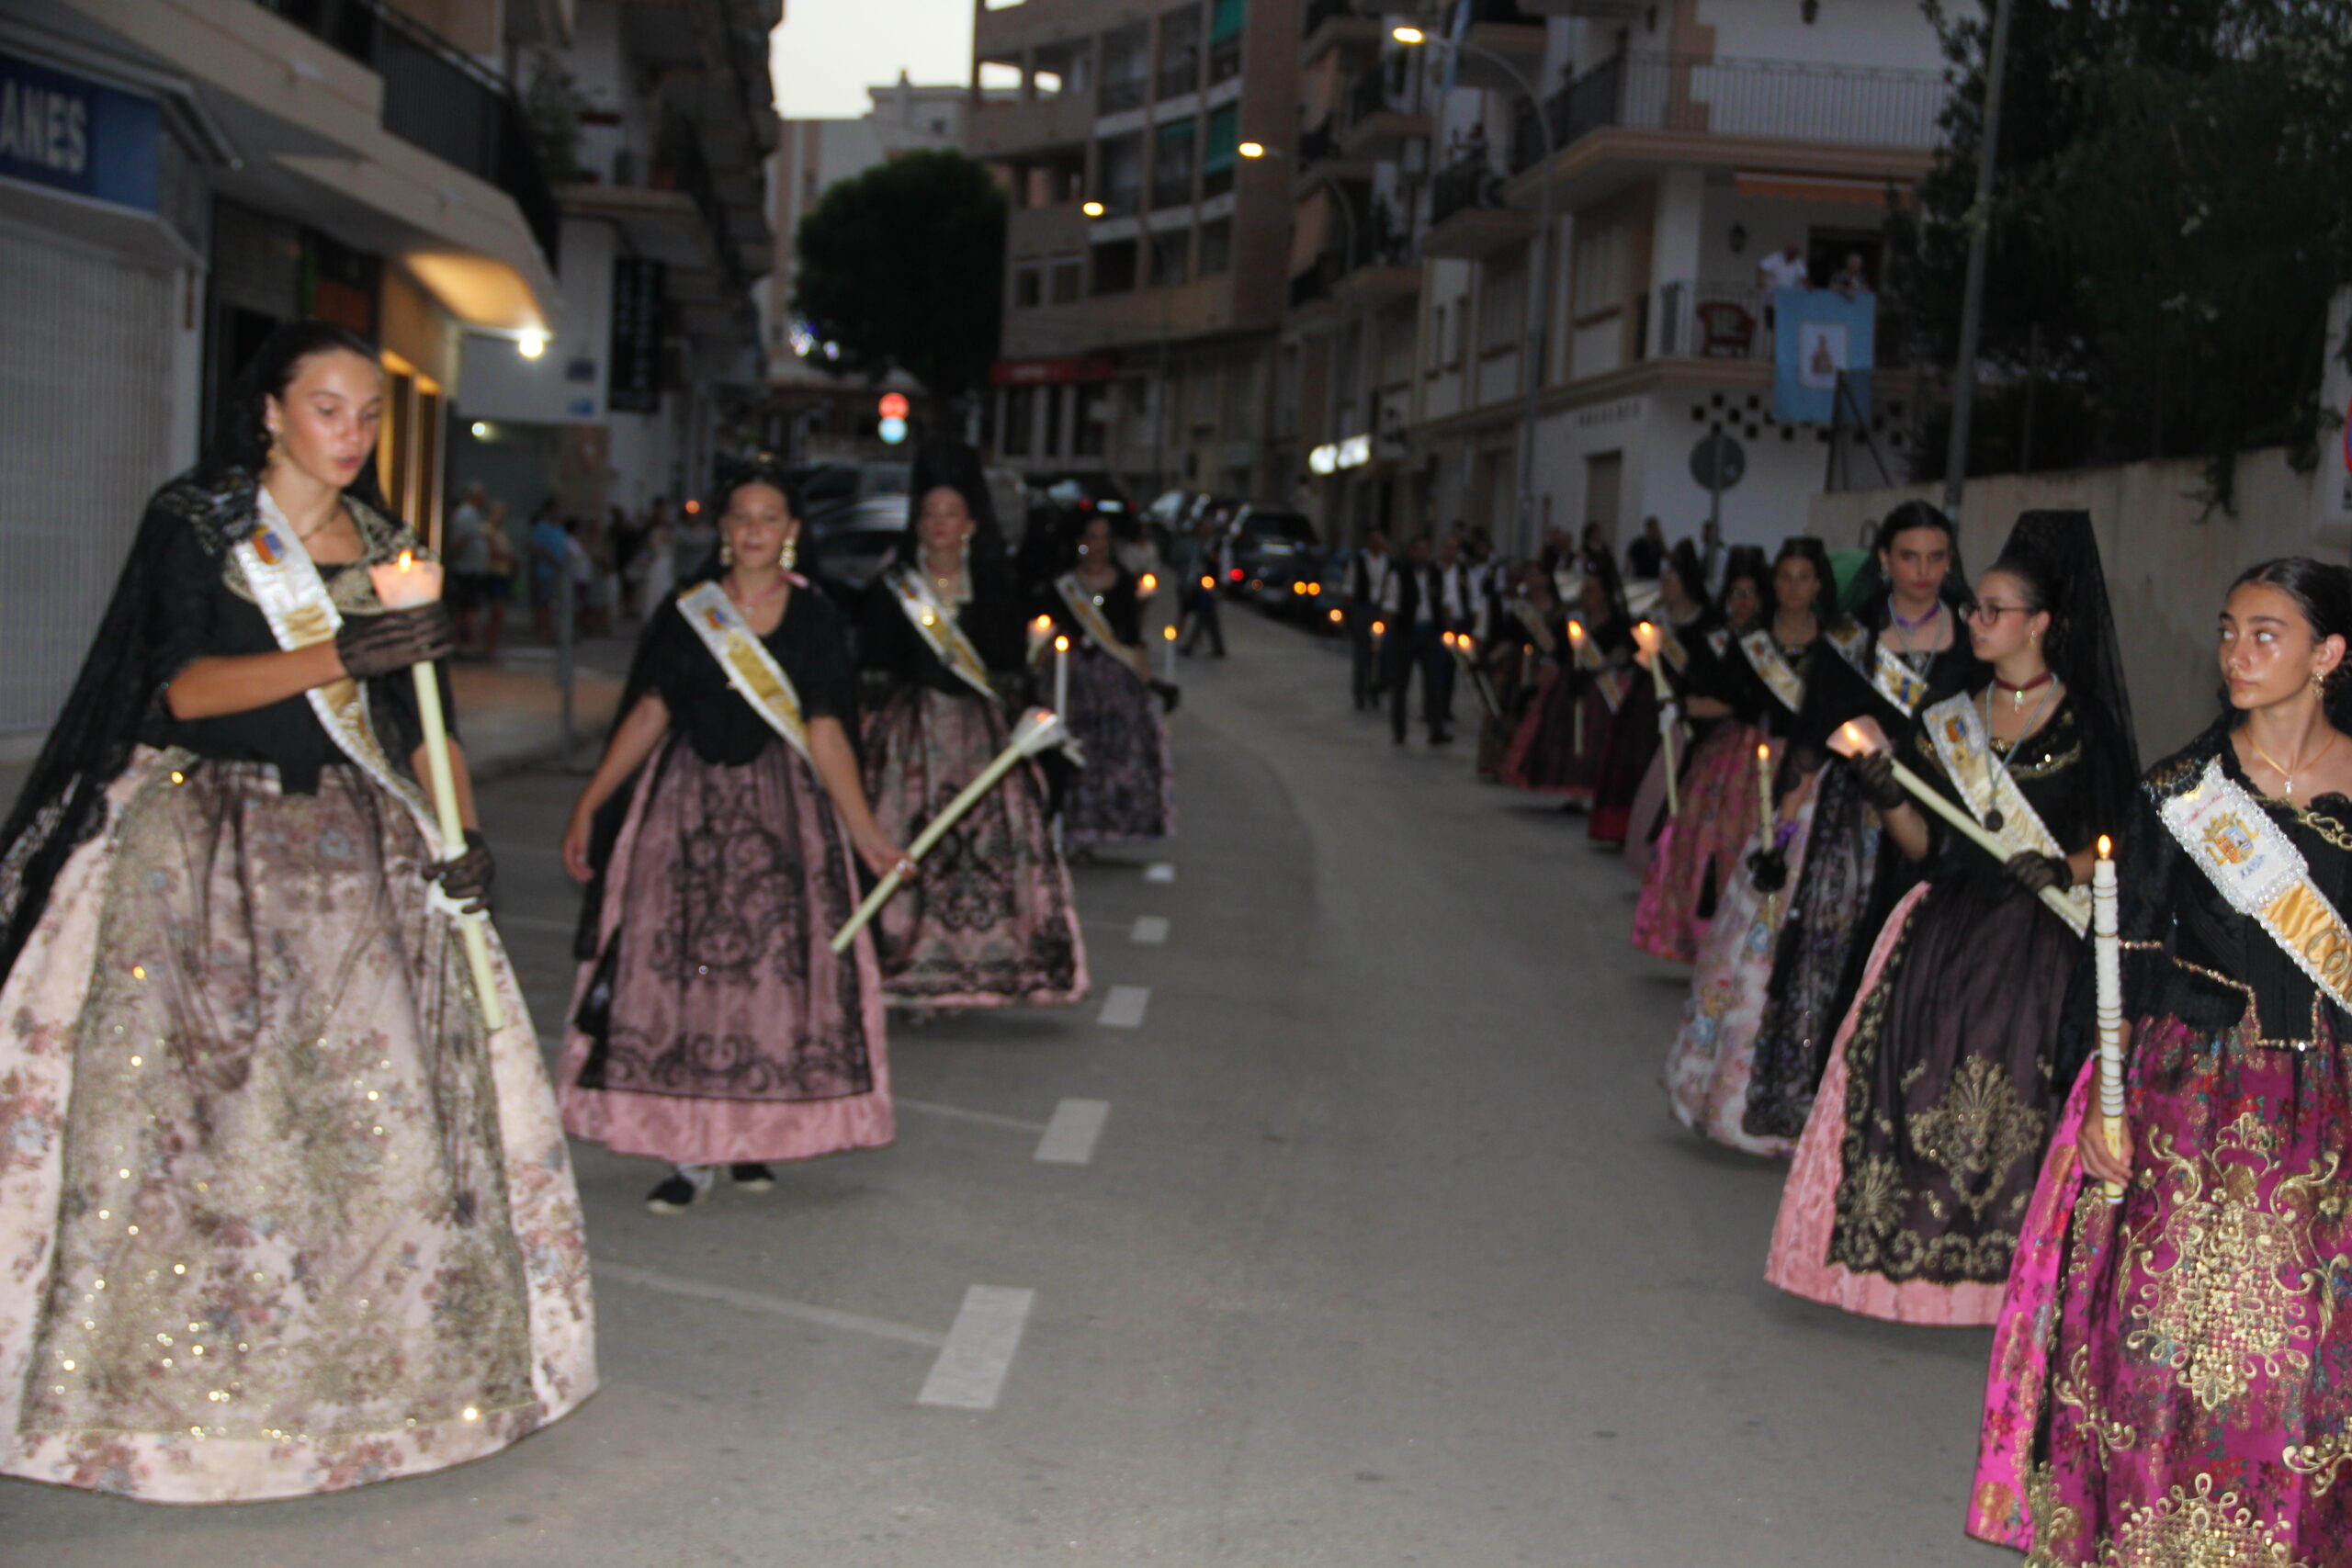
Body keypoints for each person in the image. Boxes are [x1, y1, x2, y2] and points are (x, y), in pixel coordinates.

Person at [0, 320, 594, 1501]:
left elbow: (426, 729)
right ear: (269, 411)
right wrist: (348, 650)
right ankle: (177, 1404)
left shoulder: (390, 546)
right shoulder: (201, 524)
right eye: (329, 408)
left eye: (370, 414)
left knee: (370, 1126)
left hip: (356, 855)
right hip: (203, 848)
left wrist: (459, 834)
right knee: (196, 1133)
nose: (354, 434)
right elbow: (179, 689)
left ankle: (356, 1387)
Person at [1970, 558, 2352, 1565]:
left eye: (2264, 634)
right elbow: (2124, 952)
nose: (2234, 652)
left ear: (2329, 654)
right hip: (2194, 1103)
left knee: (2314, 1363)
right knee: (2158, 1348)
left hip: (2331, 1110)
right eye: (2227, 629)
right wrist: (2104, 1101)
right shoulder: (2183, 791)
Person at [1767, 511, 2137, 1326]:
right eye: (1978, 609)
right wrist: (1888, 792)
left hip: (2040, 940)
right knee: (1912, 1083)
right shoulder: (1947, 716)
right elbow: (1924, 845)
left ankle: (2010, 1272)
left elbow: (2119, 840)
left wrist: (2065, 867)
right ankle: (1911, 1267)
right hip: (1947, 929)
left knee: (2021, 1096)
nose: (1977, 620)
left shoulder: (2085, 724)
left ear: (2040, 623)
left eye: (1995, 610)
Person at [557, 459, 906, 1214]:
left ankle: (753, 1134)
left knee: (768, 978)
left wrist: (868, 835)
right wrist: (592, 800)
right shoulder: (690, 610)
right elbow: (649, 712)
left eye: (768, 518)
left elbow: (828, 733)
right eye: (740, 517)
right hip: (683, 809)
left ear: (790, 532)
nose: (753, 530)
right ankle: (688, 1148)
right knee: (682, 969)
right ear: (722, 530)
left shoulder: (814, 619)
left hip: (783, 815)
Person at [1742, 502, 1978, 1145]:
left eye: (1937, 557)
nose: (1923, 570)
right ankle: (1822, 1100)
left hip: (1938, 827)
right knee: (1834, 950)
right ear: (1884, 560)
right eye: (1910, 556)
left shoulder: (1974, 645)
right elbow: (1809, 742)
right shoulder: (1851, 639)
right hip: (1855, 823)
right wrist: (1780, 837)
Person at [858, 444, 1087, 1010]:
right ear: (918, 522)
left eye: (950, 514)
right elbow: (873, 666)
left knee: (983, 847)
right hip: (911, 739)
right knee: (909, 841)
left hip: (979, 738)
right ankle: (906, 959)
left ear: (970, 524)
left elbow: (1007, 666)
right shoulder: (892, 588)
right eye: (929, 513)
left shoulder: (994, 587)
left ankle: (981, 964)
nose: (939, 524)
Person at [1660, 538, 1840, 1155]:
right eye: (1783, 576)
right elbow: (1714, 694)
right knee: (1750, 917)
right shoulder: (1751, 642)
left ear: (1818, 584)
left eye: (1803, 576)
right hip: (1759, 771)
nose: (1793, 587)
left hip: (1816, 785)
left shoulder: (1838, 648)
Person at [1633, 547, 1770, 960]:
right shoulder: (1718, 637)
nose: (1742, 602)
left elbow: (1739, 700)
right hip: (1715, 745)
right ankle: (1693, 928)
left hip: (1754, 750)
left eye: (1750, 594)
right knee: (1695, 836)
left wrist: (1686, 706)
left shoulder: (1765, 643)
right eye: (1736, 593)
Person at [1043, 513, 1175, 844]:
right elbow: (1049, 631)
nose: (1096, 544)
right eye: (1090, 536)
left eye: (1103, 537)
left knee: (1120, 744)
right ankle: (1067, 821)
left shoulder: (1125, 582)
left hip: (1112, 674)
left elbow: (1131, 637)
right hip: (1070, 674)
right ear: (1079, 542)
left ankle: (1106, 823)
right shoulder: (1063, 585)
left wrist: (1150, 681)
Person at [1380, 535, 1450, 747]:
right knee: (1401, 684)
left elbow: (1444, 602)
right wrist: (1389, 634)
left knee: (1434, 683)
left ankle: (1436, 728)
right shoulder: (1399, 574)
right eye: (1418, 550)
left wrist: (1446, 628)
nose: (1423, 555)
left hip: (1430, 632)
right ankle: (1399, 730)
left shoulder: (1436, 574)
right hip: (1406, 632)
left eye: (1426, 550)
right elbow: (1390, 605)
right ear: (1411, 553)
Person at [1348, 527, 1392, 712]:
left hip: (1380, 609)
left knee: (1379, 655)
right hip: (1363, 608)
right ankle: (1359, 693)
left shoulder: (1388, 562)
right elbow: (1350, 586)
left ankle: (1375, 690)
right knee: (1362, 654)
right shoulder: (1359, 561)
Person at [447, 479, 492, 652]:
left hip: (471, 568)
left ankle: (465, 641)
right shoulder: (466, 514)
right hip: (466, 569)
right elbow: (460, 540)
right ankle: (467, 642)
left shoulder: (472, 514)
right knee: (467, 607)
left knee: (468, 606)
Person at [1180, 515, 1227, 658]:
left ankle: (1191, 645)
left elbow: (1225, 565)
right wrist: (1191, 582)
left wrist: (1223, 586)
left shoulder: (1219, 546)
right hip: (1201, 585)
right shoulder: (1201, 545)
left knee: (1206, 614)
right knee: (1206, 615)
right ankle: (1214, 646)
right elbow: (1196, 566)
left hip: (1213, 587)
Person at [528, 499, 567, 644]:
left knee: (554, 605)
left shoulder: (559, 528)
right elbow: (538, 548)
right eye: (558, 509)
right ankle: (542, 633)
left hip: (558, 573)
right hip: (545, 572)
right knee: (543, 604)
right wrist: (553, 561)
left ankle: (551, 632)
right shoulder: (542, 527)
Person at [481, 498, 514, 659]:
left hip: (502, 574)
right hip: (492, 574)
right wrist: (507, 557)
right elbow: (494, 552)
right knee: (496, 611)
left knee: (498, 613)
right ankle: (487, 647)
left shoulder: (501, 532)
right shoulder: (487, 530)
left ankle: (491, 647)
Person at [1626, 516, 1668, 581]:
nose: (1655, 530)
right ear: (1648, 528)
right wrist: (1627, 575)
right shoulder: (1639, 543)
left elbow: (1667, 556)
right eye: (1653, 527)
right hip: (1639, 578)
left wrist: (1661, 540)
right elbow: (1629, 559)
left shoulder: (1658, 544)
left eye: (1656, 527)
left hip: (1654, 579)